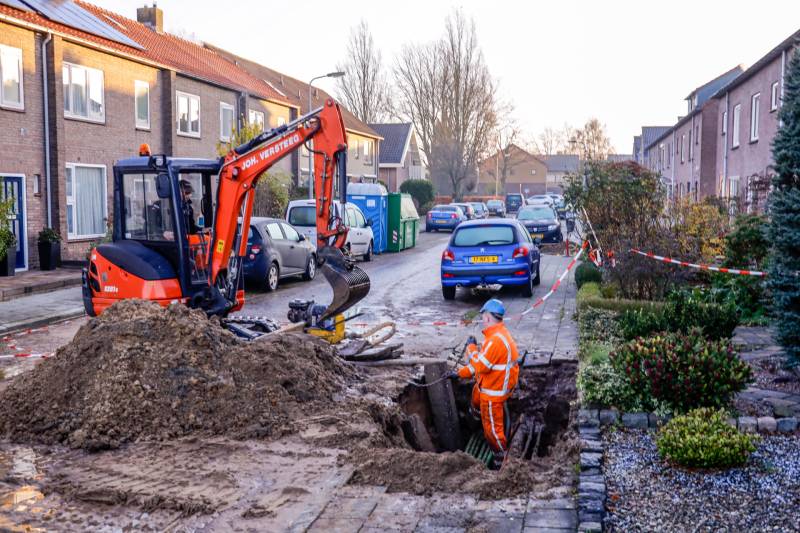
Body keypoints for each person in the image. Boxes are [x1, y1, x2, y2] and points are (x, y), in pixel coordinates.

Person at [449, 298, 520, 468]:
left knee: (493, 432)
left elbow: (480, 365)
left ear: (488, 317)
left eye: (483, 317)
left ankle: (499, 459)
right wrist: (458, 373)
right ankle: (474, 422)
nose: (482, 321)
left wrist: (471, 348)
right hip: (488, 384)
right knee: (475, 394)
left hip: (493, 394)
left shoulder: (495, 341)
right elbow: (481, 365)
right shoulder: (497, 335)